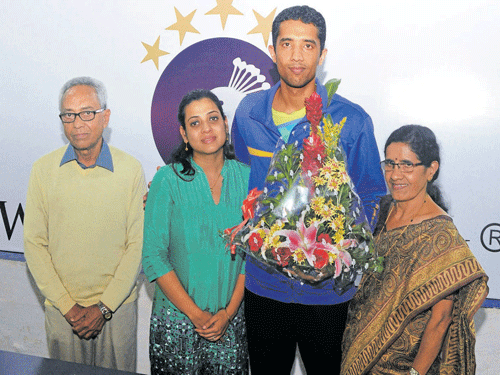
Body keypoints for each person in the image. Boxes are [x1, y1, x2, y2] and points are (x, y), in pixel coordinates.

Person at [231, 5, 387, 374]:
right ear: (272, 51)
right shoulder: (249, 112)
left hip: (327, 290)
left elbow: (370, 196)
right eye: (287, 44)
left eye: (308, 45)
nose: (297, 56)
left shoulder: (352, 120)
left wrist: (338, 248)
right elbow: (235, 172)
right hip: (263, 284)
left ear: (323, 53)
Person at [341, 125, 488, 375]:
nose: (395, 175)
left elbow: (440, 321)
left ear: (431, 170)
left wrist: (415, 373)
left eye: (407, 165)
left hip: (401, 367)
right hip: (356, 353)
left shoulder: (440, 235)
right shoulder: (383, 210)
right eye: (390, 163)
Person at [23, 77, 146, 372]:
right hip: (63, 313)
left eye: (87, 113)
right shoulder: (42, 170)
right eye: (69, 114)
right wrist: (68, 306)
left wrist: (104, 307)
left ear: (105, 117)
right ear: (62, 121)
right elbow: (34, 244)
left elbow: (137, 246)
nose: (77, 122)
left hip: (117, 312)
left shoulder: (130, 170)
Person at [142, 89, 250, 374]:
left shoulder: (249, 179)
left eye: (213, 118)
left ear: (225, 123)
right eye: (195, 122)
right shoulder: (167, 180)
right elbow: (154, 257)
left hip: (231, 322)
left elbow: (253, 255)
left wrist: (227, 313)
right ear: (184, 133)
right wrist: (196, 315)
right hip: (177, 325)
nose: (206, 129)